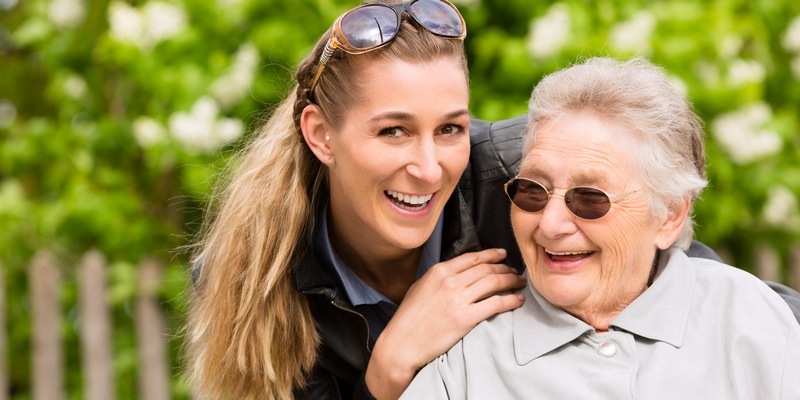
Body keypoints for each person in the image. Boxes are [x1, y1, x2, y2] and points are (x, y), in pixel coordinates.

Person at [186, 2, 800, 399]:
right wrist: (386, 372)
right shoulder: (259, 273)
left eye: (450, 128)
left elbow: (687, 290)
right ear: (322, 134)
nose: (428, 168)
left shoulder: (516, 173)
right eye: (392, 130)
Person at [400, 57, 800, 399]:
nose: (551, 225)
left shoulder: (750, 318)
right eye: (533, 191)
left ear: (671, 215)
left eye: (589, 198)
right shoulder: (465, 359)